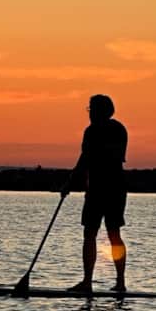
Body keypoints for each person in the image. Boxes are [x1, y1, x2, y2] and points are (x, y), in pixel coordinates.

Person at [62, 94, 128, 295]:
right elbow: (84, 160)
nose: (89, 113)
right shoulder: (93, 131)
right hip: (98, 189)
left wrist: (72, 181)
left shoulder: (114, 130)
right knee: (91, 233)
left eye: (92, 109)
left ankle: (119, 282)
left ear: (102, 110)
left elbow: (93, 158)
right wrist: (70, 183)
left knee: (111, 233)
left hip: (110, 188)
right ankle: (88, 281)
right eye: (89, 109)